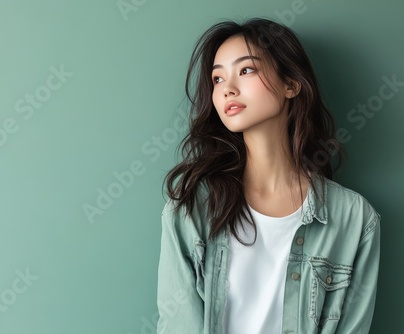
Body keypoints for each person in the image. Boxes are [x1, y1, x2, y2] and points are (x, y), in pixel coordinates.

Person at [156, 18, 380, 334]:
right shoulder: (192, 205)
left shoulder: (354, 218)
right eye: (217, 79)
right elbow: (179, 325)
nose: (227, 89)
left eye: (246, 70)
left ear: (291, 84)